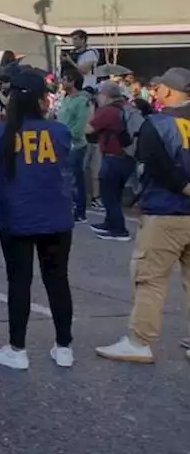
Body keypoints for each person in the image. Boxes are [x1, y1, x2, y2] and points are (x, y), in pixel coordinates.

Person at [96, 67, 190, 364]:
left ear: (168, 91)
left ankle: (139, 341)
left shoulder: (157, 124)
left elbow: (153, 163)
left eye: (160, 87)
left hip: (165, 212)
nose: (156, 90)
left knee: (150, 279)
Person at [0, 70, 76, 370]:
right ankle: (64, 347)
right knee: (58, 280)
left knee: (19, 282)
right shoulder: (60, 131)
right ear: (42, 99)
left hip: (15, 216)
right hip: (56, 216)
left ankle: (17, 348)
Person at [87, 81, 136, 241]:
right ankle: (110, 223)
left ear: (105, 95)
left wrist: (92, 110)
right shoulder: (126, 107)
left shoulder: (107, 111)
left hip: (113, 157)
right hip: (127, 156)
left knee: (109, 194)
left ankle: (118, 229)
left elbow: (88, 129)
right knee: (115, 193)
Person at [55, 70, 92, 223]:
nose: (62, 82)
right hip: (62, 144)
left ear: (72, 81)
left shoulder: (82, 100)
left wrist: (68, 135)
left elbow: (79, 125)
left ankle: (80, 210)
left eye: (65, 79)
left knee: (75, 178)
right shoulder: (66, 99)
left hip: (75, 145)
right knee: (64, 177)